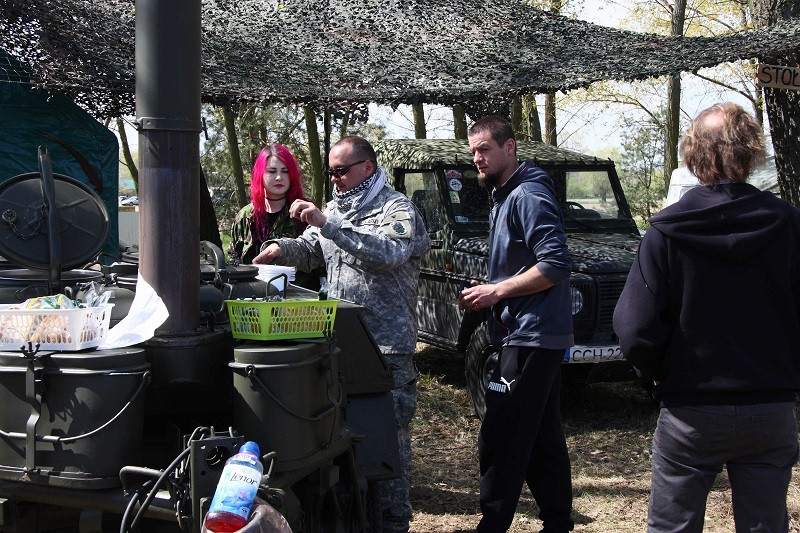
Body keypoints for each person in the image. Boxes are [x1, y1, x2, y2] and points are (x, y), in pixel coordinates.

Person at [613, 102, 800, 532]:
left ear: (691, 153)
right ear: (751, 150)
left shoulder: (665, 230)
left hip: (690, 410)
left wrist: (656, 372)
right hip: (768, 407)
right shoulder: (788, 224)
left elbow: (634, 327)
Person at [253, 135, 430, 532]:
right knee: (341, 438)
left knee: (386, 443)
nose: (334, 179)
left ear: (367, 167)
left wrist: (327, 224)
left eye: (341, 171)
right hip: (340, 343)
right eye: (330, 172)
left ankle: (392, 522)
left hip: (384, 348)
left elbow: (388, 253)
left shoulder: (396, 208)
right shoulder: (337, 208)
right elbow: (312, 249)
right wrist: (281, 248)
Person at [459, 116, 574, 532]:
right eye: (473, 151)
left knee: (501, 434)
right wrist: (491, 289)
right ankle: (558, 522)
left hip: (532, 333)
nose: (478, 158)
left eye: (485, 149)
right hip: (525, 330)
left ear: (510, 148)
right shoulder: (505, 194)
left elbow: (557, 264)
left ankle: (491, 525)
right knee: (542, 435)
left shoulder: (527, 194)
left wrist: (499, 291)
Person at [229, 144, 308, 264]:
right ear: (260, 174)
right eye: (272, 171)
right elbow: (233, 260)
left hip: (294, 283)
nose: (279, 177)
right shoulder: (244, 216)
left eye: (285, 171)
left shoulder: (304, 211)